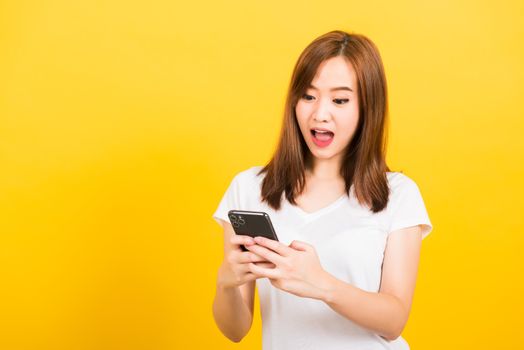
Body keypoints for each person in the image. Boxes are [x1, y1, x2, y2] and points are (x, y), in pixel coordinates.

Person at [211, 30, 433, 350]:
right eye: (308, 96)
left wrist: (321, 284)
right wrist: (227, 282)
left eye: (340, 100)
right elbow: (235, 330)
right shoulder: (248, 189)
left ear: (367, 108)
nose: (320, 113)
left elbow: (394, 320)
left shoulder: (398, 195)